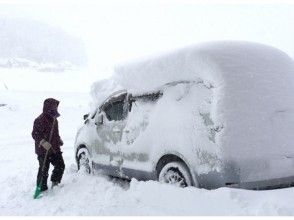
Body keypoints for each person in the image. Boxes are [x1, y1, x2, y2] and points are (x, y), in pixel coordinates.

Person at [32, 98, 65, 192]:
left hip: (54, 149)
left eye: (56, 108)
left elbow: (55, 134)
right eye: (53, 109)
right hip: (43, 150)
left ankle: (55, 182)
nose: (55, 110)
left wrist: (59, 140)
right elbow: (35, 134)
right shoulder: (39, 120)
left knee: (60, 165)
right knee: (43, 169)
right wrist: (43, 142)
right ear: (47, 109)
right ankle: (41, 188)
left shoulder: (55, 120)